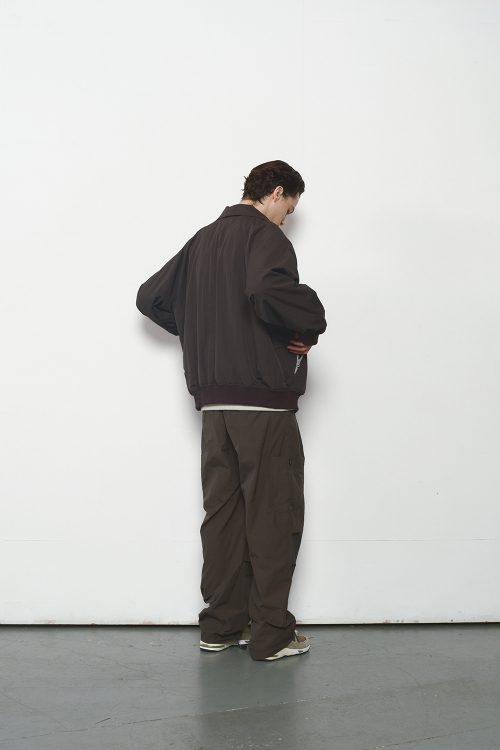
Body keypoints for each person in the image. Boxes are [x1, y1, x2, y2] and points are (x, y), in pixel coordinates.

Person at [136, 160, 327, 661]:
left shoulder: (202, 240)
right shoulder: (265, 236)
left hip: (215, 404)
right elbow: (266, 291)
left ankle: (221, 627)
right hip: (263, 403)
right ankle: (271, 635)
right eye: (289, 208)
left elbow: (150, 297)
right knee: (273, 513)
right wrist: (309, 324)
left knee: (222, 514)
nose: (286, 218)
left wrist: (204, 328)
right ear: (276, 192)